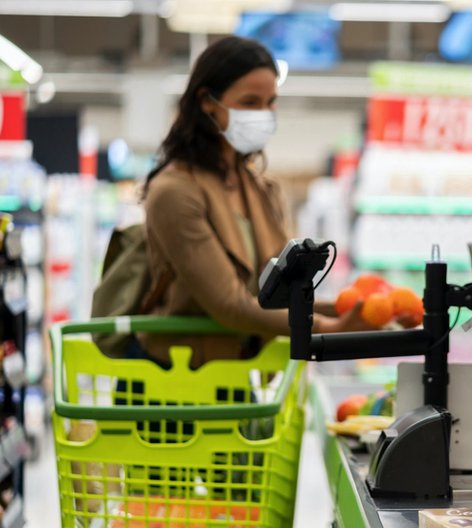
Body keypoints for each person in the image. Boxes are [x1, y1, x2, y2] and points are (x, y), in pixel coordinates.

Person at [136, 36, 371, 367]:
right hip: (179, 382)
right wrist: (327, 327)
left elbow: (279, 295)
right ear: (207, 101)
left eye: (270, 101)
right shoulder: (174, 191)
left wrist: (357, 309)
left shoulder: (260, 188)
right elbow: (229, 304)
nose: (264, 114)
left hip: (244, 376)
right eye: (250, 102)